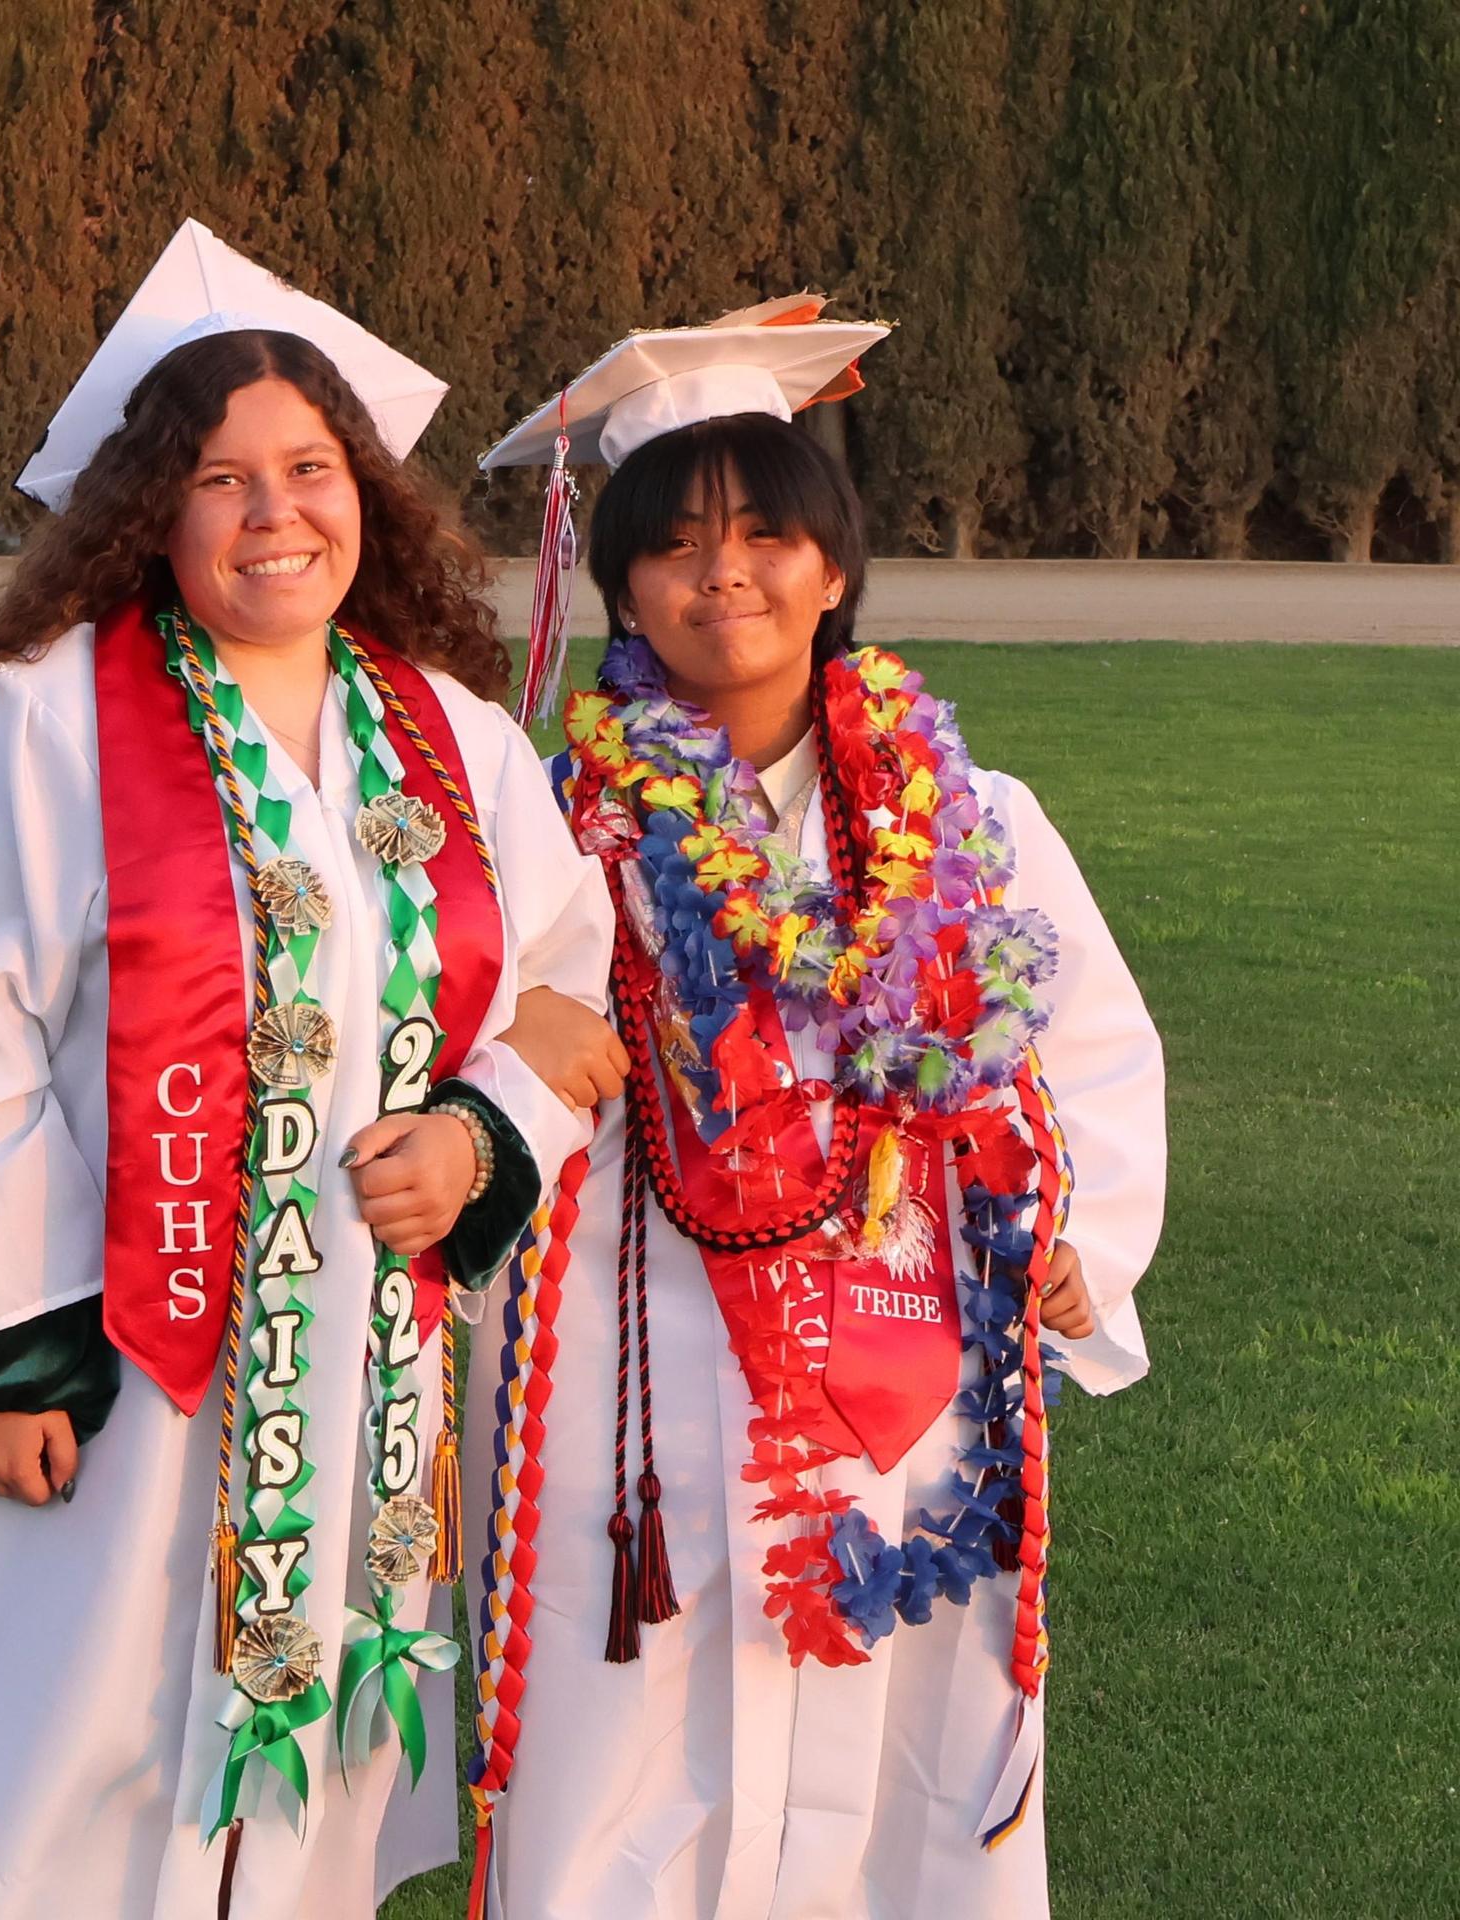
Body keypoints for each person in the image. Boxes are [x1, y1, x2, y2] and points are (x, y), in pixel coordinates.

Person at [0, 222, 611, 1920]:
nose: (274, 515)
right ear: (148, 508)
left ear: (363, 494)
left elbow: (557, 994)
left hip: (359, 1396)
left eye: (310, 470)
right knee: (52, 1792)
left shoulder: (451, 738)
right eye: (222, 478)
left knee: (304, 1808)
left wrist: (477, 1137)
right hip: (119, 1384)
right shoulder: (36, 726)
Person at [463, 303, 1168, 1919]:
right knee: (626, 1747)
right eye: (678, 543)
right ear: (622, 584)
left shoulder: (969, 821)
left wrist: (1078, 1243)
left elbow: (1093, 1051)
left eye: (769, 532)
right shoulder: (555, 819)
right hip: (634, 1353)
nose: (727, 574)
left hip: (906, 1341)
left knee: (904, 1752)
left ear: (834, 568)